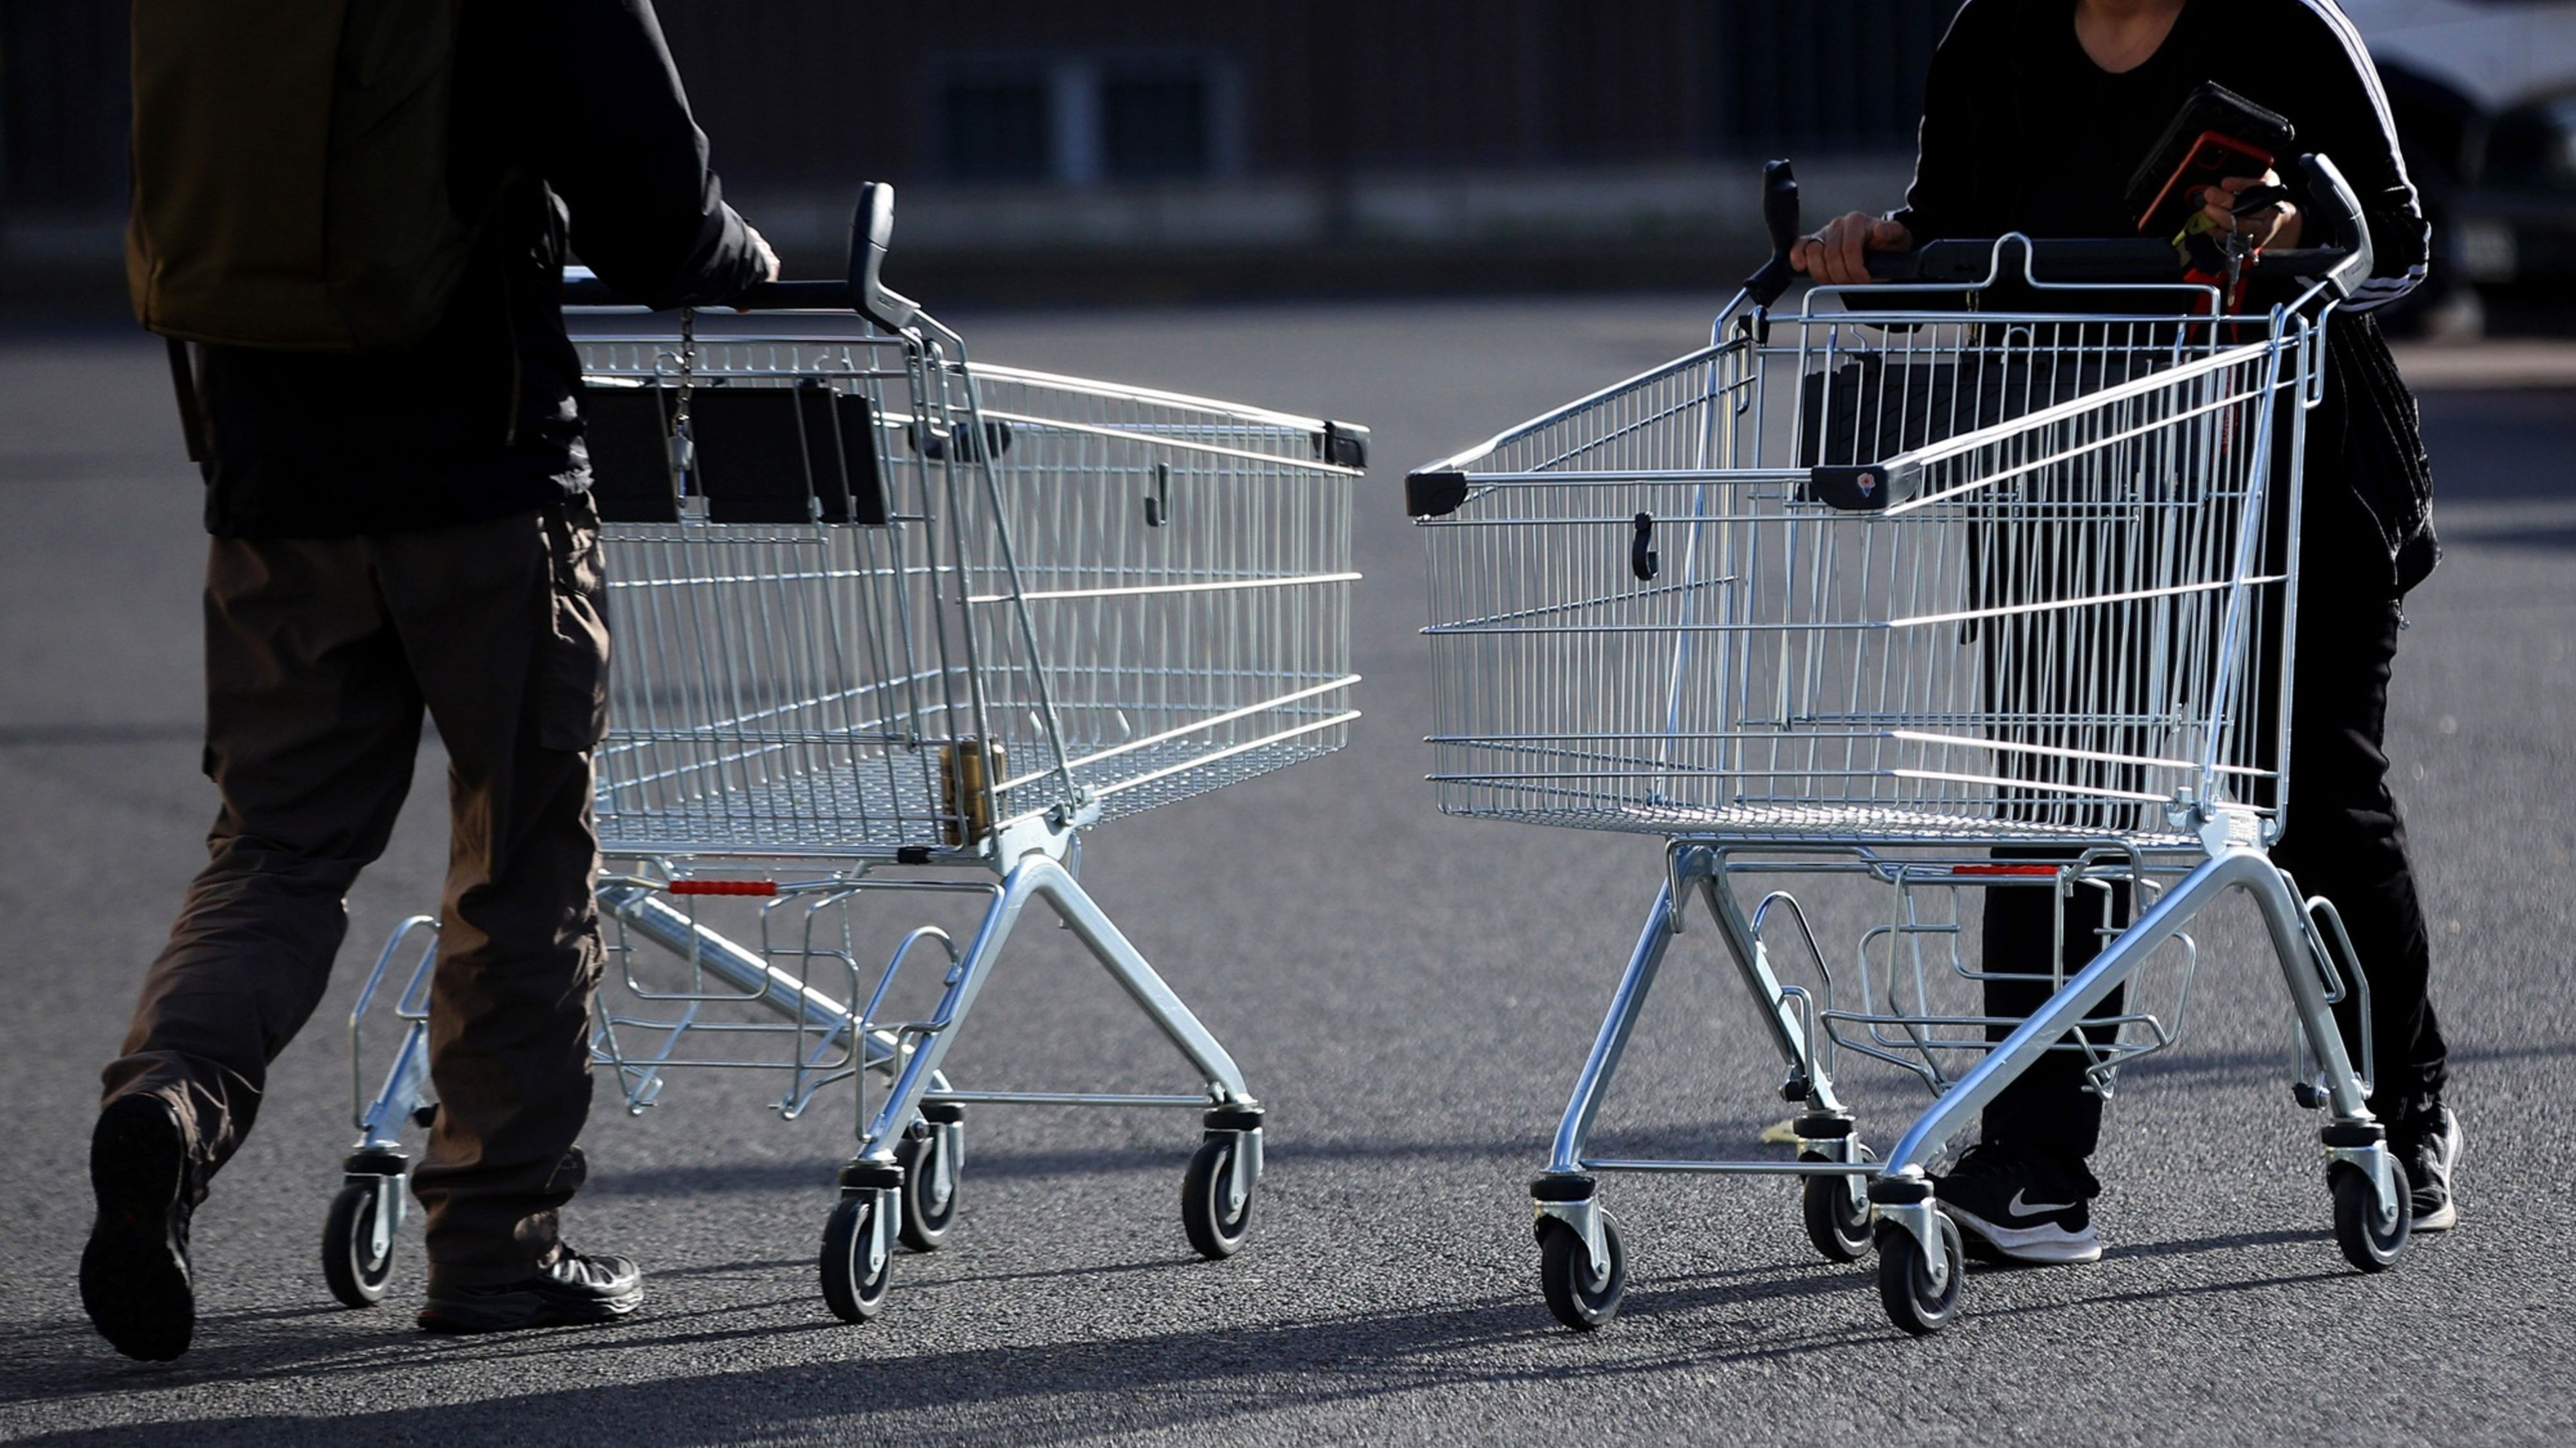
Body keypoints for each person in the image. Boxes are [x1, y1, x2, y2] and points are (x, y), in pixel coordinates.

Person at [83, 0, 776, 1359]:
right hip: (482, 479)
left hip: (270, 480)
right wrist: (735, 255)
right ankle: (496, 1246)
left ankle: (168, 1100)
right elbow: (654, 207)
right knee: (520, 853)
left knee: (275, 849)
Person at [1791, 0, 2455, 1265]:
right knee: (2056, 790)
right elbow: (1956, 228)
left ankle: (2399, 1105)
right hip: (2070, 467)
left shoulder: (2287, 31)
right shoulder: (1993, 37)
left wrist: (2293, 229)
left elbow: (2403, 245)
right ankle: (2036, 1166)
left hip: (2286, 462)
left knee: (2310, 792)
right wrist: (1883, 246)